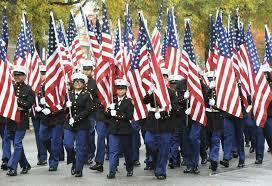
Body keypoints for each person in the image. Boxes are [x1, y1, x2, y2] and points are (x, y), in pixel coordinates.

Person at [143, 68, 174, 180]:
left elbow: (174, 110)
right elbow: (145, 101)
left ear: (167, 79)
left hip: (165, 125)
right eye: (161, 77)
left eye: (164, 77)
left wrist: (163, 114)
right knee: (149, 142)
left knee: (164, 149)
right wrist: (150, 92)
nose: (162, 79)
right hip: (152, 124)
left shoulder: (170, 93)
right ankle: (156, 161)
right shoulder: (154, 93)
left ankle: (161, 171)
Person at [64, 72, 95, 177]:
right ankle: (73, 160)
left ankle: (78, 169)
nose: (77, 83)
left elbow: (88, 110)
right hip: (69, 125)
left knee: (80, 147)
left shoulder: (86, 95)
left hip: (82, 125)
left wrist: (76, 119)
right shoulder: (69, 94)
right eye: (75, 81)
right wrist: (65, 106)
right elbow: (65, 110)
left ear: (83, 84)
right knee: (68, 145)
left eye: (80, 81)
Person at [6, 66, 35, 176]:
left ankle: (13, 167)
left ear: (24, 76)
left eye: (19, 75)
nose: (16, 77)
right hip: (11, 120)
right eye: (15, 75)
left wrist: (17, 100)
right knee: (17, 144)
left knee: (17, 143)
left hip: (21, 120)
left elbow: (28, 104)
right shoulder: (10, 88)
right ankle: (25, 165)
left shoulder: (28, 89)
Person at [105, 79, 134, 179]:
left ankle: (129, 168)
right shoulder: (113, 100)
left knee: (127, 151)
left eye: (122, 89)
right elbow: (106, 116)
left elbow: (129, 116)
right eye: (118, 89)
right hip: (113, 130)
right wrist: (109, 110)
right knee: (113, 150)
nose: (120, 91)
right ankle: (112, 171)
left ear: (126, 90)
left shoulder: (128, 101)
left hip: (125, 130)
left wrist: (116, 113)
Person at [202, 71, 224, 172]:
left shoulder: (221, 90)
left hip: (217, 116)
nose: (211, 81)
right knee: (208, 139)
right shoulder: (206, 89)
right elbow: (203, 101)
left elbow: (225, 103)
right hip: (208, 116)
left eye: (212, 79)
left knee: (215, 138)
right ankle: (211, 156)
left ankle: (214, 159)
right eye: (209, 79)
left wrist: (216, 105)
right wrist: (209, 90)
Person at [30, 65, 47, 166]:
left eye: (43, 73)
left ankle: (55, 153)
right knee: (38, 135)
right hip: (36, 112)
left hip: (47, 113)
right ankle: (42, 157)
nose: (41, 75)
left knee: (46, 135)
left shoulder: (50, 84)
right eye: (40, 73)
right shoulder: (33, 83)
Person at [168, 75, 186, 169]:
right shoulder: (168, 93)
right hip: (172, 120)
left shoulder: (183, 93)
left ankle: (185, 158)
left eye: (176, 84)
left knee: (183, 141)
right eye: (172, 84)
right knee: (173, 140)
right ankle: (174, 160)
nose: (174, 86)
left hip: (183, 119)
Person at [82, 59, 97, 165]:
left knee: (90, 134)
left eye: (88, 70)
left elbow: (97, 97)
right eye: (85, 69)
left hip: (91, 112)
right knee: (82, 134)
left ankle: (90, 154)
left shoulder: (94, 83)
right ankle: (83, 154)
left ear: (92, 71)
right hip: (81, 112)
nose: (86, 71)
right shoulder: (79, 81)